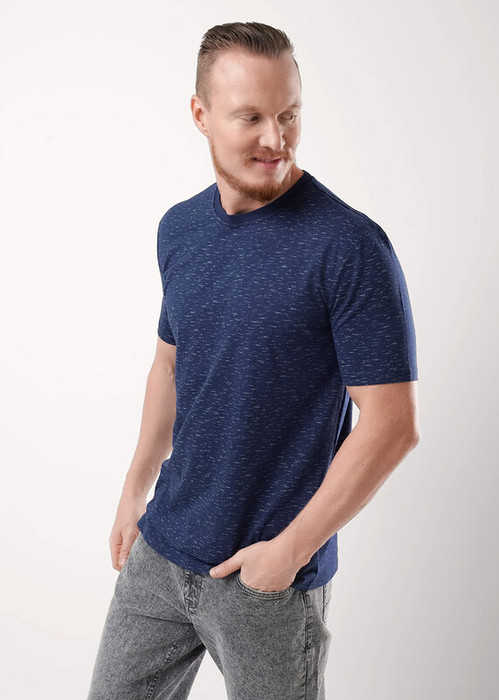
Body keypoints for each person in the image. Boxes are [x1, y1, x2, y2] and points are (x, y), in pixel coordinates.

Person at [87, 20, 420, 700]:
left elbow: (392, 425)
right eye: (251, 118)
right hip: (162, 550)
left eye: (289, 114)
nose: (276, 139)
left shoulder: (349, 246)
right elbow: (169, 364)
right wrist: (134, 488)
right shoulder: (180, 229)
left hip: (264, 582)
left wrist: (288, 554)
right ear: (201, 115)